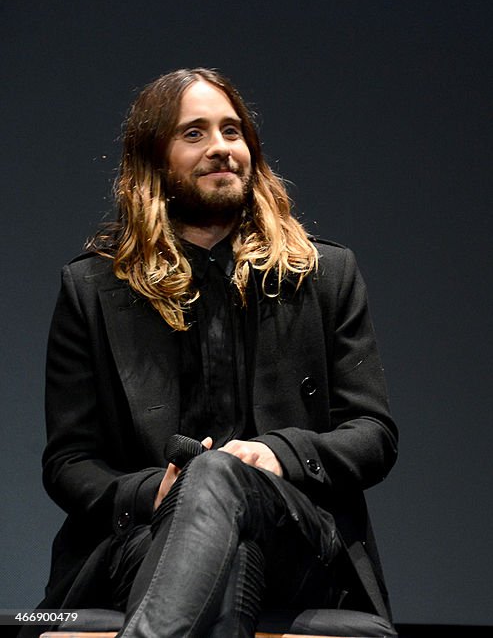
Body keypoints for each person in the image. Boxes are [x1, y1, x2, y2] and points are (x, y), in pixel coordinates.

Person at [25, 68, 398, 637]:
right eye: (194, 133)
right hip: (144, 538)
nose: (221, 148)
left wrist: (278, 456)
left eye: (232, 131)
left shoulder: (324, 275)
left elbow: (373, 433)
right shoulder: (94, 290)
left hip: (299, 539)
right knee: (220, 542)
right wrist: (155, 492)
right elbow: (69, 462)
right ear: (153, 160)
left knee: (217, 476)